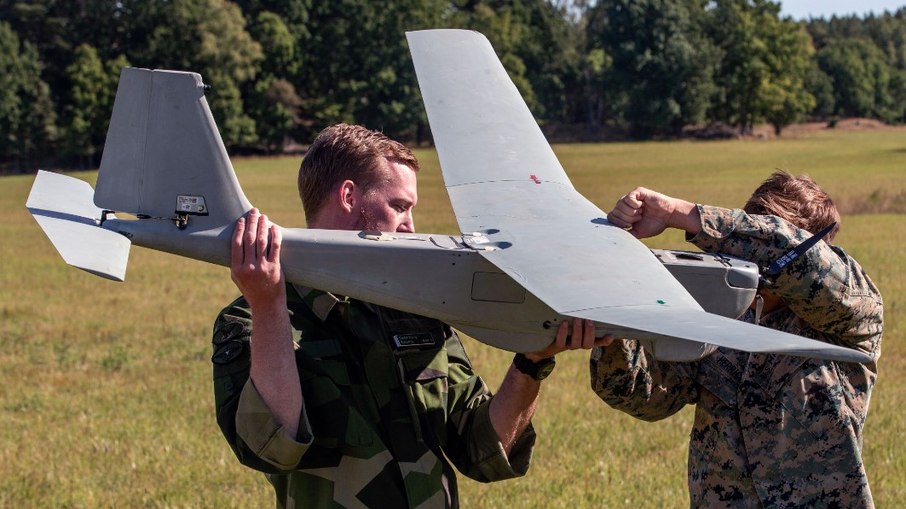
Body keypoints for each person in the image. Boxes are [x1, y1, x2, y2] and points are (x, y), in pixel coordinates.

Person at [211, 123, 610, 509]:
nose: (410, 226)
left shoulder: (414, 308)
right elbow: (273, 449)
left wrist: (533, 361)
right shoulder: (250, 319)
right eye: (399, 206)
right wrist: (268, 306)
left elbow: (481, 448)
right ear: (349, 197)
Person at [591, 171, 883, 508]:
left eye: (756, 235)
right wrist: (614, 328)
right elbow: (647, 396)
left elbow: (790, 253)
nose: (748, 247)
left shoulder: (854, 310)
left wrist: (678, 214)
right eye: (748, 229)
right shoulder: (719, 312)